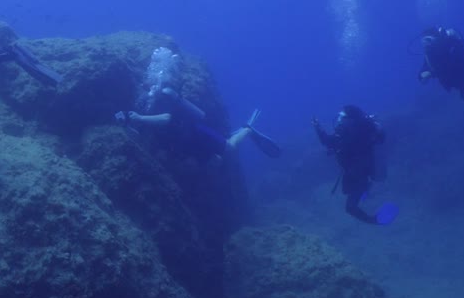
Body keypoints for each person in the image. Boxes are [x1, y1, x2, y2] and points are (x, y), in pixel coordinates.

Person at [116, 88, 281, 163]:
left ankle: (247, 130)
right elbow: (139, 139)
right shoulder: (142, 116)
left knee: (230, 149)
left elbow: (166, 118)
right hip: (185, 145)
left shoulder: (158, 104)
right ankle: (229, 137)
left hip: (196, 132)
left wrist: (139, 117)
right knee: (217, 161)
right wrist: (127, 126)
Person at [313, 105, 395, 225]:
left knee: (350, 207)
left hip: (357, 175)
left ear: (350, 120)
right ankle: (367, 190)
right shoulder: (363, 130)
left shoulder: (347, 135)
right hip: (361, 172)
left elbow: (327, 141)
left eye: (342, 118)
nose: (340, 122)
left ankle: (374, 220)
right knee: (350, 190)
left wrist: (317, 127)